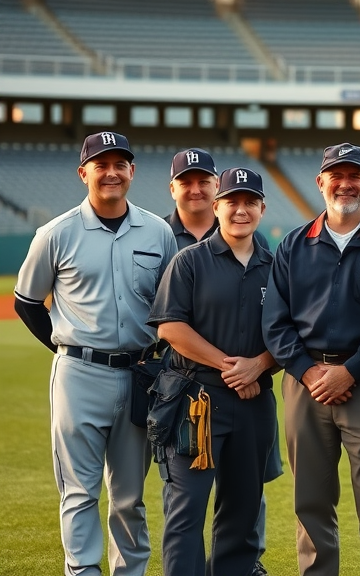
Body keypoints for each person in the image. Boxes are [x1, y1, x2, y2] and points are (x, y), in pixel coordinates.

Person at [13, 131, 177, 576]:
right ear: (84, 172)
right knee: (79, 492)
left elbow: (173, 305)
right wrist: (65, 346)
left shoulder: (158, 231)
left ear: (131, 172)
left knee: (128, 497)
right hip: (79, 375)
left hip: (139, 375)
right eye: (101, 164)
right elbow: (26, 302)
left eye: (119, 164)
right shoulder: (57, 232)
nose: (111, 172)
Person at [262, 144, 360, 576]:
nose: (345, 183)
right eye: (335, 175)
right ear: (321, 182)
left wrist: (350, 371)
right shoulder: (293, 244)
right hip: (305, 383)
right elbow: (275, 322)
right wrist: (306, 371)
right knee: (311, 497)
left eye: (354, 175)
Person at [148, 167, 278, 576]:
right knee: (187, 513)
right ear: (217, 206)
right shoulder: (189, 261)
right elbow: (170, 327)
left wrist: (257, 366)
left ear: (262, 208)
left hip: (254, 402)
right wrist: (231, 367)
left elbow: (291, 332)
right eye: (232, 202)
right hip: (196, 401)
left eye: (250, 203)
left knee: (242, 510)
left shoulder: (276, 266)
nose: (241, 211)